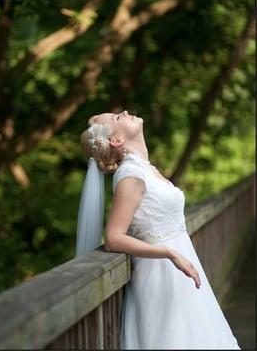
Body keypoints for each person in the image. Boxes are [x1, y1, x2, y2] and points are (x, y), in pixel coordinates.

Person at [76, 110, 241, 350]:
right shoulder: (130, 176)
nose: (123, 112)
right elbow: (113, 237)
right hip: (161, 279)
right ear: (116, 140)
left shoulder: (144, 169)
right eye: (116, 118)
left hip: (180, 278)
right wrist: (169, 253)